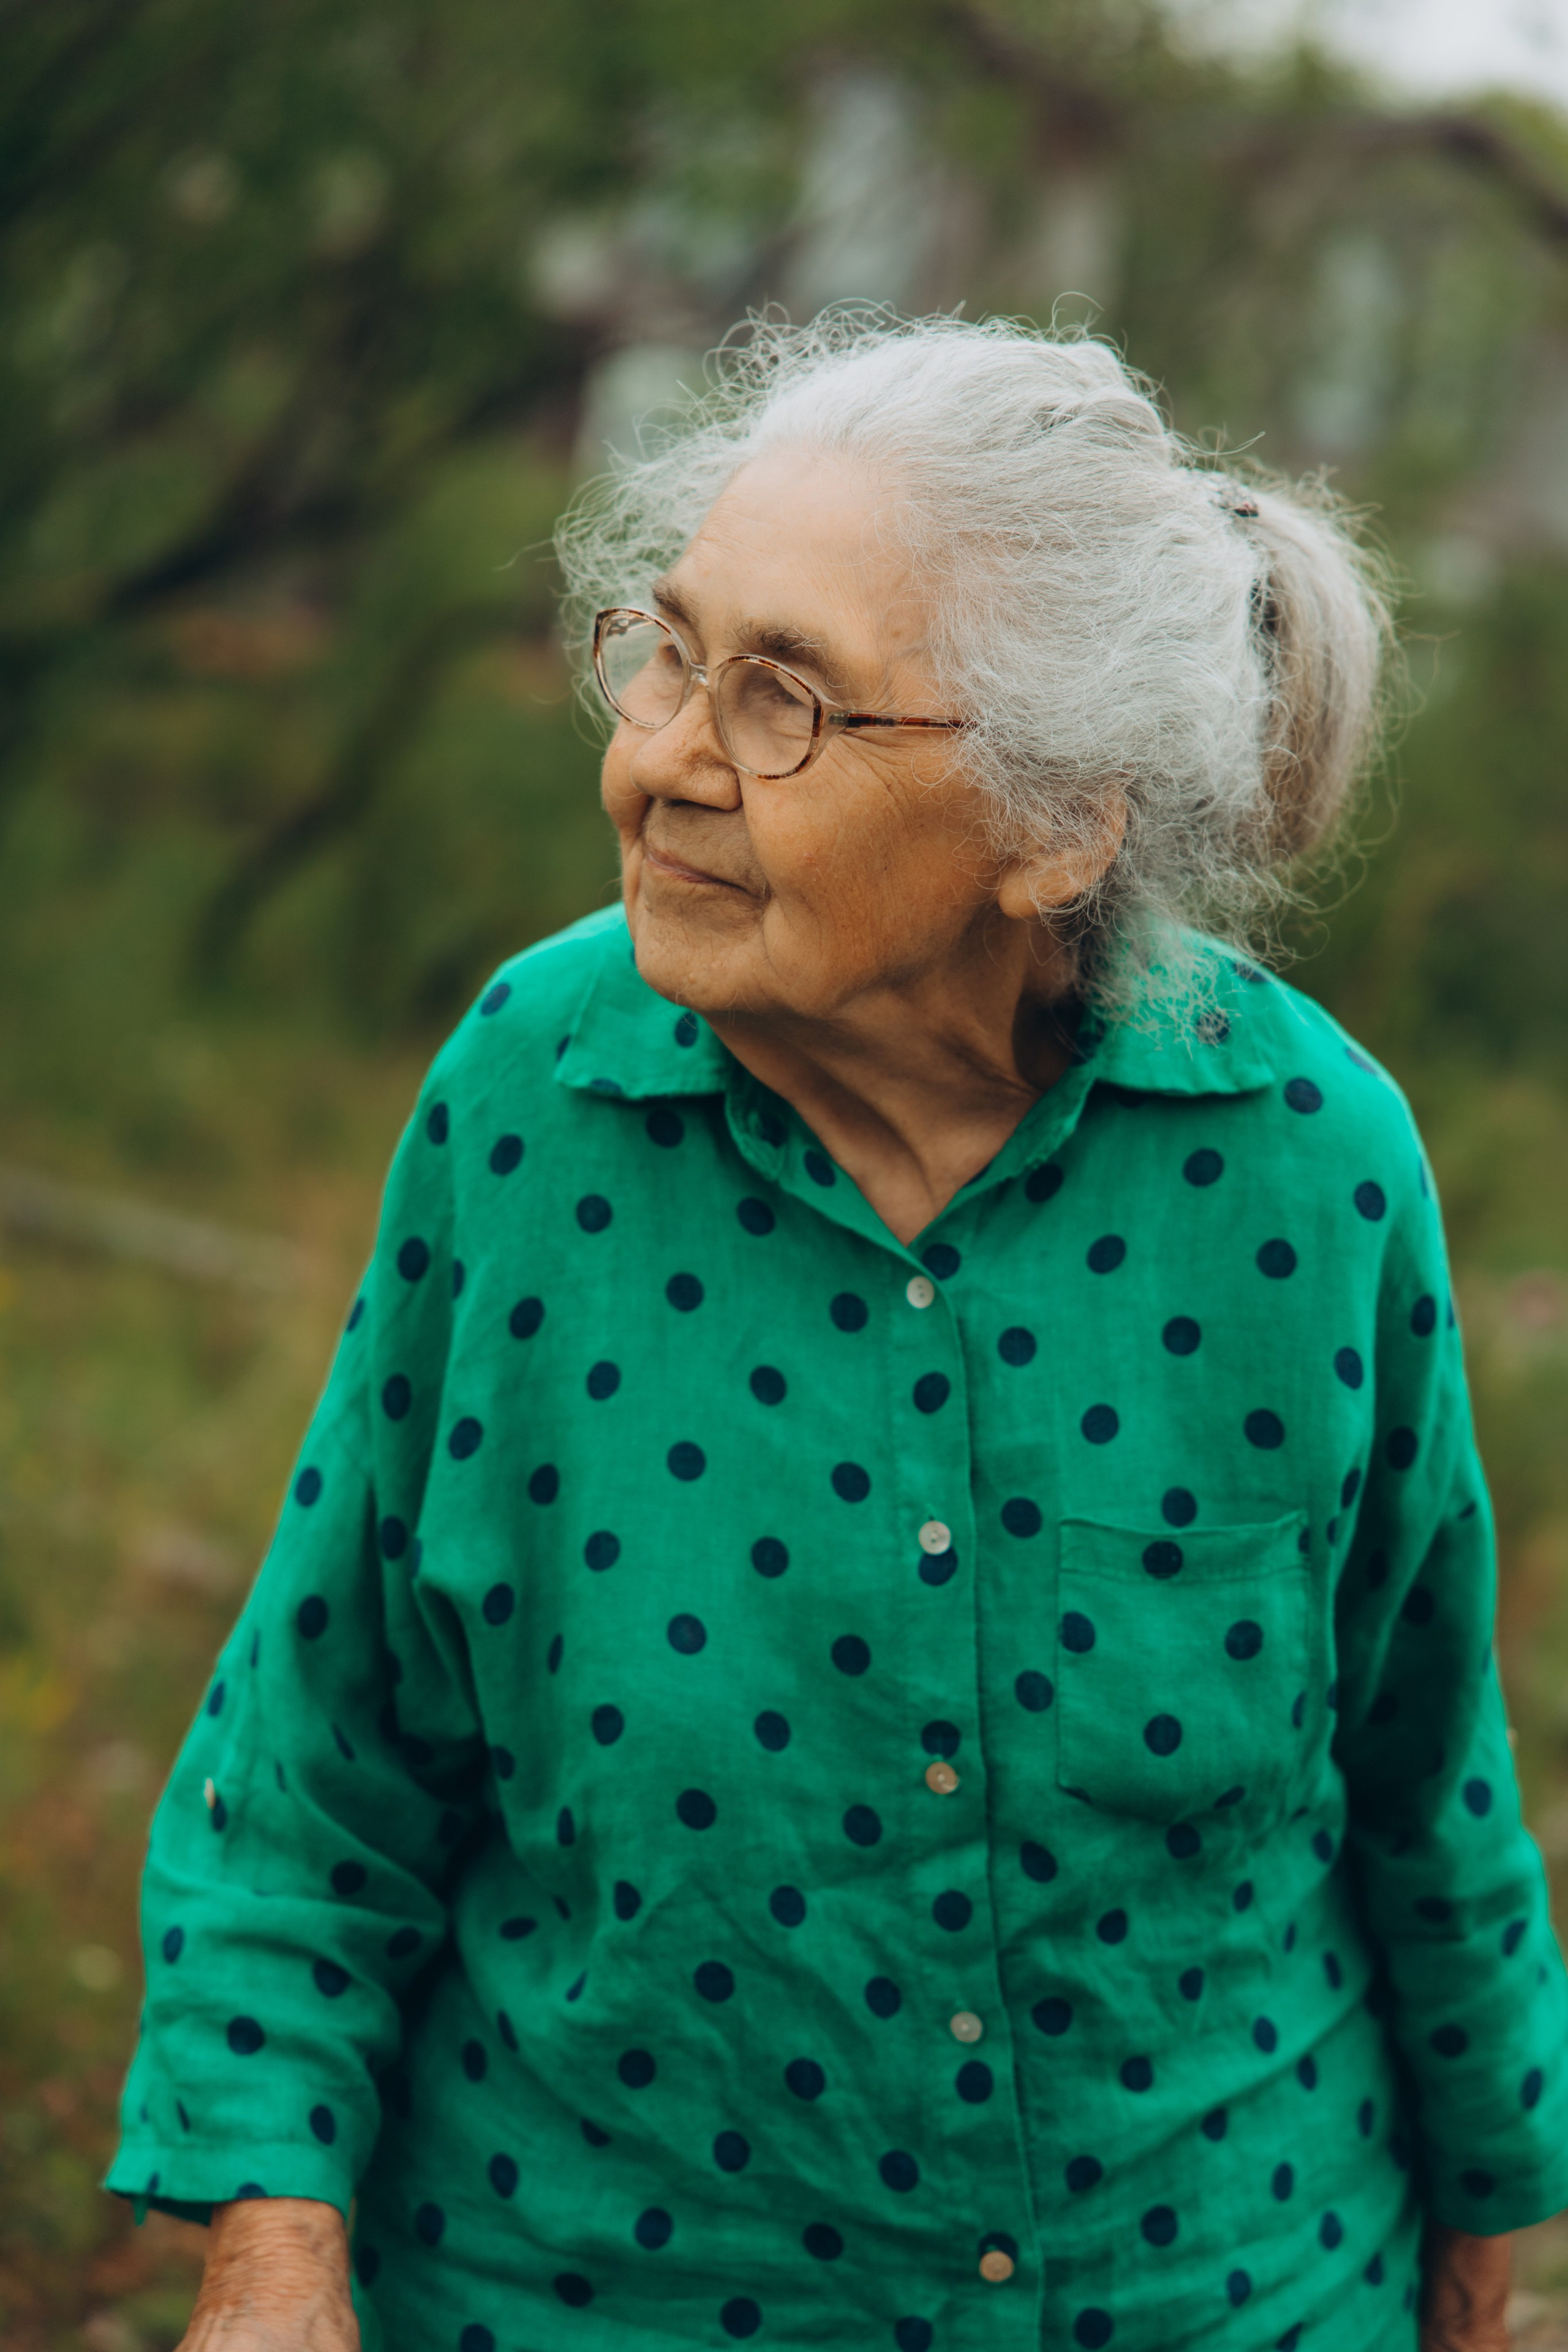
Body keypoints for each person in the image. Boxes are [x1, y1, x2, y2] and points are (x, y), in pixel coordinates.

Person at [111, 311, 1566, 2352]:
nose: (663, 761)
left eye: (784, 698)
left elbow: (1423, 1761)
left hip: (1221, 2286)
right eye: (669, 652)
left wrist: (1492, 2225)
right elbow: (319, 1748)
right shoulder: (532, 1098)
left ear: (1057, 826)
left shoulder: (1307, 1164)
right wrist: (273, 2253)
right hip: (595, 2291)